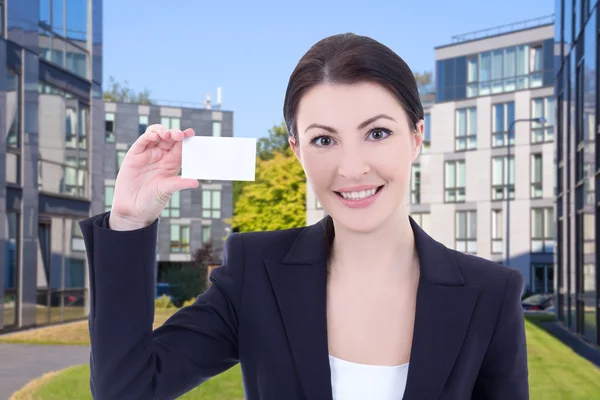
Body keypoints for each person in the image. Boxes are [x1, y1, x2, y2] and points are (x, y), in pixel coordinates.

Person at [79, 33, 529, 400]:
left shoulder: (490, 294)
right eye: (324, 140)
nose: (352, 167)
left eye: (377, 132)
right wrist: (130, 221)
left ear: (415, 136)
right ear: (297, 150)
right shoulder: (255, 273)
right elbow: (127, 390)